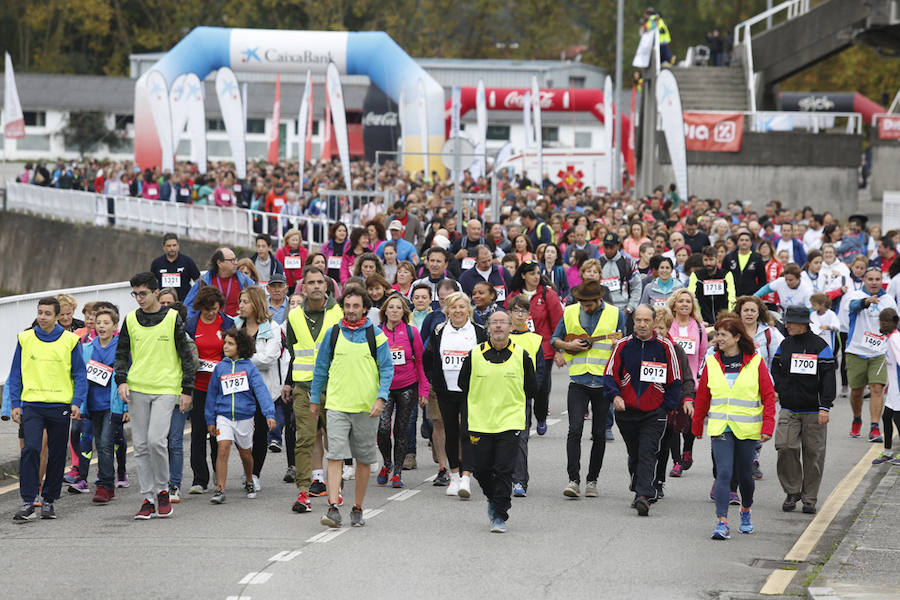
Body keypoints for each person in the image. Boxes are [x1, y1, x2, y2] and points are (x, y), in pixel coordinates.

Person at [311, 285, 394, 528]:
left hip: (366, 408)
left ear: (365, 308)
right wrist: (315, 399)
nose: (351, 310)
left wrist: (381, 398)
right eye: (347, 306)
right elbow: (321, 368)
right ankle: (333, 507)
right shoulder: (333, 333)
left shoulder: (376, 335)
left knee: (364, 460)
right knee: (335, 456)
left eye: (356, 306)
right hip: (337, 405)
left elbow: (387, 369)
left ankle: (357, 507)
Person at [115, 272, 195, 520]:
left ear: (156, 293)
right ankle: (148, 498)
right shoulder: (130, 319)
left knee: (156, 441)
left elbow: (186, 355)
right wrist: (121, 381)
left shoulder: (172, 318)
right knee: (140, 446)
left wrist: (187, 390)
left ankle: (162, 490)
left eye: (143, 293)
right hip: (138, 387)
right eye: (135, 294)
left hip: (166, 388)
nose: (139, 298)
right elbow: (121, 353)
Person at [693, 317, 777, 540]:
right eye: (717, 334)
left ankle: (746, 509)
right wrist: (697, 424)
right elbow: (703, 396)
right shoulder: (712, 362)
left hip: (747, 429)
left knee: (746, 477)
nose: (718, 339)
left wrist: (768, 425)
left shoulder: (755, 361)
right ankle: (722, 522)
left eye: (723, 335)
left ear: (737, 337)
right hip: (721, 427)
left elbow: (768, 396)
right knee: (724, 473)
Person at [8, 297, 87, 521]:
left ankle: (49, 500)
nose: (42, 317)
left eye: (47, 313)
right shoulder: (25, 338)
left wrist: (77, 401)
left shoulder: (70, 340)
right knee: (31, 449)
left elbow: (80, 374)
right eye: (40, 312)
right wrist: (15, 404)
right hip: (32, 405)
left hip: (60, 405)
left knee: (57, 453)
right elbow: (15, 374)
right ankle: (28, 500)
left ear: (57, 316)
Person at [459, 310, 537, 533]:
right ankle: (493, 499)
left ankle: (500, 514)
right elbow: (463, 384)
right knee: (482, 469)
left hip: (510, 421)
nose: (499, 326)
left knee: (504, 469)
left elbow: (532, 388)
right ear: (488, 328)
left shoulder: (522, 355)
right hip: (480, 421)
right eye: (495, 322)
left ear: (511, 327)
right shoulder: (474, 354)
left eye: (503, 322)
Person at [604, 305, 682, 515]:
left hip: (654, 412)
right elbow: (610, 375)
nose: (642, 324)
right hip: (626, 411)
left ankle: (644, 495)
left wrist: (665, 406)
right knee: (635, 453)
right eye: (638, 320)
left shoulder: (665, 346)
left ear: (654, 322)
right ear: (633, 322)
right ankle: (638, 485)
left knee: (648, 451)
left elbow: (675, 380)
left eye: (646, 320)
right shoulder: (623, 345)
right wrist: (615, 396)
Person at [551, 280, 625, 498]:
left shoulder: (616, 314)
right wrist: (568, 346)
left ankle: (592, 480)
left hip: (603, 383)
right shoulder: (570, 311)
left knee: (599, 434)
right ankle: (573, 480)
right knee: (574, 430)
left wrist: (617, 346)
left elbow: (625, 343)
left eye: (589, 304)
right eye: (582, 303)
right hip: (578, 381)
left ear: (599, 299)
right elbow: (555, 339)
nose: (585, 306)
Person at [284, 266, 343, 514]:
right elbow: (293, 350)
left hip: (334, 386)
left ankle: (336, 488)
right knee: (305, 439)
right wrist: (291, 382)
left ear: (326, 286)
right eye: (311, 282)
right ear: (304, 287)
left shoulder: (339, 313)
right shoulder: (294, 316)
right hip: (304, 386)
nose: (316, 286)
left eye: (320, 282)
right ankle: (303, 492)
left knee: (336, 440)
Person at [770, 305, 836, 514]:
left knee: (813, 455)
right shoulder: (785, 344)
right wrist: (780, 388)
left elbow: (829, 378)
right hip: (789, 408)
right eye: (786, 322)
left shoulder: (820, 346)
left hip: (814, 411)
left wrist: (825, 406)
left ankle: (809, 499)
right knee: (785, 447)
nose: (787, 325)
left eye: (790, 322)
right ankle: (792, 491)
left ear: (803, 324)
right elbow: (775, 369)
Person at [423, 292, 488, 499]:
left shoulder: (479, 331)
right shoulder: (439, 331)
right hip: (446, 391)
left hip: (471, 391)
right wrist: (434, 380)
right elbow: (428, 358)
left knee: (467, 432)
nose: (458, 311)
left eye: (461, 307)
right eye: (453, 307)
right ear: (447, 311)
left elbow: (487, 359)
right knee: (450, 433)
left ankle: (466, 477)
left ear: (468, 309)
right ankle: (454, 476)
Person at [205, 328, 277, 503]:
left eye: (230, 344)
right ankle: (220, 490)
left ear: (241, 346)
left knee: (245, 454)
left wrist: (269, 413)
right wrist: (210, 420)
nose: (225, 346)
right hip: (223, 416)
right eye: (225, 343)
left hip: (244, 417)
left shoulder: (250, 368)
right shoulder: (220, 368)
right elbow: (212, 395)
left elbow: (261, 391)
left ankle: (249, 479)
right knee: (223, 448)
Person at [234, 287, 287, 486]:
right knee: (239, 433)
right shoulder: (235, 325)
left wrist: (241, 358)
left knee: (259, 434)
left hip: (263, 388)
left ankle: (254, 474)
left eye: (245, 302)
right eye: (240, 301)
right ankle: (248, 467)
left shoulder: (272, 327)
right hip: (238, 389)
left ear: (256, 304)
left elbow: (268, 358)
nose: (241, 306)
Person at [185, 285, 234, 495]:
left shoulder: (227, 323)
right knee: (198, 432)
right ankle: (199, 479)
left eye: (215, 308)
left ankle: (217, 471)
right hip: (198, 386)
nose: (212, 313)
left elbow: (234, 350)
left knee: (218, 432)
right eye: (208, 309)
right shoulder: (191, 324)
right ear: (200, 307)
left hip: (221, 387)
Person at [505, 260, 564, 434]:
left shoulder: (548, 294)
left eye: (538, 273)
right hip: (517, 347)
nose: (536, 276)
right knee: (519, 385)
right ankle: (524, 423)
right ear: (523, 275)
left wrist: (559, 350)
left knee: (541, 387)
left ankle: (541, 416)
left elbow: (558, 323)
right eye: (532, 273)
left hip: (543, 349)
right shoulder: (514, 295)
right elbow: (505, 319)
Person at [376, 294, 428, 488]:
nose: (395, 310)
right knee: (383, 429)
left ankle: (397, 472)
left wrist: (423, 390)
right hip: (384, 388)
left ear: (404, 312)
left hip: (407, 385)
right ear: (385, 311)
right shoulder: (377, 332)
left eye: (399, 307)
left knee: (401, 430)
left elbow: (420, 362)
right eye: (391, 307)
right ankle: (387, 463)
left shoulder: (411, 332)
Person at [843, 266, 898, 441]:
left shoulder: (888, 300)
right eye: (870, 279)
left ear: (882, 281)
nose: (874, 282)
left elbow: (895, 324)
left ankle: (874, 427)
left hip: (880, 352)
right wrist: (866, 301)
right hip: (856, 351)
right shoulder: (854, 295)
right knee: (856, 391)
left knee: (877, 388)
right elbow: (853, 307)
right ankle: (857, 418)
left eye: (877, 279)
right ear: (864, 280)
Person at [77, 306, 125, 503]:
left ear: (115, 326)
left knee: (105, 443)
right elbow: (80, 377)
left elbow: (128, 377)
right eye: (98, 323)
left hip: (112, 405)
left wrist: (126, 408)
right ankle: (108, 484)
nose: (101, 326)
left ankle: (104, 485)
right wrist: (78, 404)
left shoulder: (121, 349)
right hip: (92, 405)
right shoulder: (87, 348)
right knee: (100, 444)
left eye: (106, 323)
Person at [652, 306, 695, 496]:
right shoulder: (640, 347)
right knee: (643, 447)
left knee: (662, 448)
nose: (657, 332)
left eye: (661, 328)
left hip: (667, 407)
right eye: (654, 327)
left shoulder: (676, 350)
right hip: (644, 405)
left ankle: (658, 482)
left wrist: (687, 399)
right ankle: (641, 479)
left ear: (668, 328)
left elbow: (687, 377)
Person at [666, 288, 708, 476]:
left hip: (692, 383)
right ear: (674, 305)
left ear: (692, 306)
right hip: (672, 382)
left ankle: (687, 451)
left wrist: (698, 377)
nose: (684, 304)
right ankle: (676, 461)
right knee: (673, 423)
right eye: (681, 301)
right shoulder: (668, 326)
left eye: (688, 301)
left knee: (690, 422)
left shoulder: (699, 328)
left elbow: (703, 356)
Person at [507, 295, 546, 496]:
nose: (519, 315)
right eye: (516, 311)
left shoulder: (534, 339)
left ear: (528, 315)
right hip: (499, 395)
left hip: (521, 398)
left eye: (523, 311)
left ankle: (519, 481)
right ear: (509, 313)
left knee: (520, 438)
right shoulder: (499, 337)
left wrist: (530, 392)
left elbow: (540, 372)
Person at [184, 248, 256, 319]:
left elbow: (258, 303)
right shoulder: (204, 281)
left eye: (236, 259)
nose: (236, 263)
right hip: (211, 323)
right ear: (219, 263)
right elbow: (189, 306)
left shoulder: (245, 281)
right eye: (231, 260)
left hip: (238, 324)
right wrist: (192, 321)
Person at [598, 233, 643, 332]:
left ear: (618, 246)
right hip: (602, 309)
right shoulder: (598, 262)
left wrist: (630, 308)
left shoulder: (628, 263)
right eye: (606, 247)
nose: (608, 250)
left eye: (611, 247)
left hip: (622, 309)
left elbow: (636, 287)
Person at [873, 308, 900, 465]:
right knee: (886, 417)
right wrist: (889, 384)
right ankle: (888, 452)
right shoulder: (890, 338)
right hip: (894, 388)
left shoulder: (894, 340)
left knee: (898, 420)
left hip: (898, 390)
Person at [690, 246, 736, 325]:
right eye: (705, 260)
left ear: (717, 260)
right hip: (703, 319)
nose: (708, 263)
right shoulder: (696, 276)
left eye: (711, 260)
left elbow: (731, 297)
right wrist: (698, 318)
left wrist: (729, 315)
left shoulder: (726, 275)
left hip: (724, 318)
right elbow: (692, 297)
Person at [150, 233, 201, 301]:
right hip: (164, 303)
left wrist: (193, 297)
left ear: (178, 246)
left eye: (174, 245)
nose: (172, 248)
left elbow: (198, 282)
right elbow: (151, 284)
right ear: (164, 247)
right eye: (169, 246)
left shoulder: (188, 261)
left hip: (184, 302)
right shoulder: (156, 263)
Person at [723, 231, 767, 298]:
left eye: (747, 240)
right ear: (738, 242)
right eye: (741, 240)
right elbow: (724, 277)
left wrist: (756, 295)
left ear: (751, 243)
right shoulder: (729, 257)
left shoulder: (757, 258)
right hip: (732, 295)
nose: (744, 242)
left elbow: (762, 280)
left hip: (751, 296)